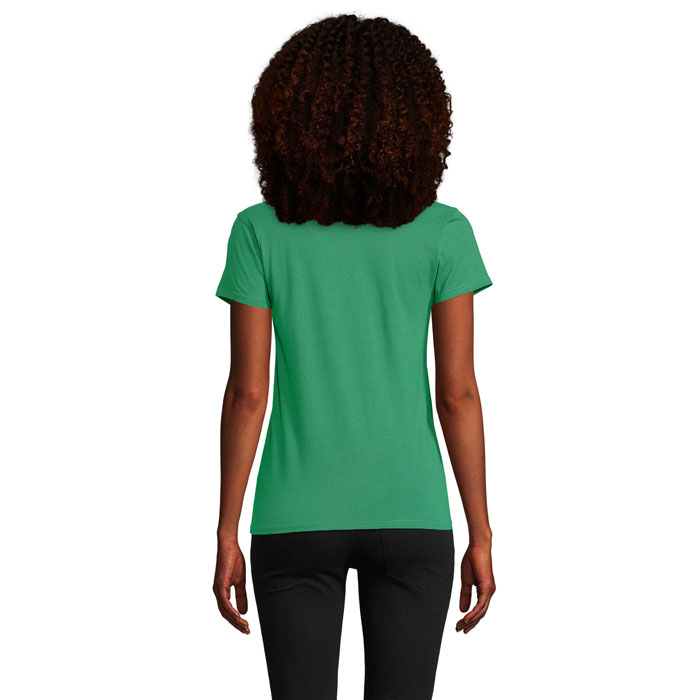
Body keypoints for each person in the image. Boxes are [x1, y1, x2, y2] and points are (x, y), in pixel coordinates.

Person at [213, 14, 496, 700]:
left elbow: (249, 393)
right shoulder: (443, 232)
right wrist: (481, 532)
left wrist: (226, 530)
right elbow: (456, 393)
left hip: (293, 516)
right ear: (418, 119)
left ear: (287, 115)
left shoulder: (258, 232)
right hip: (412, 512)